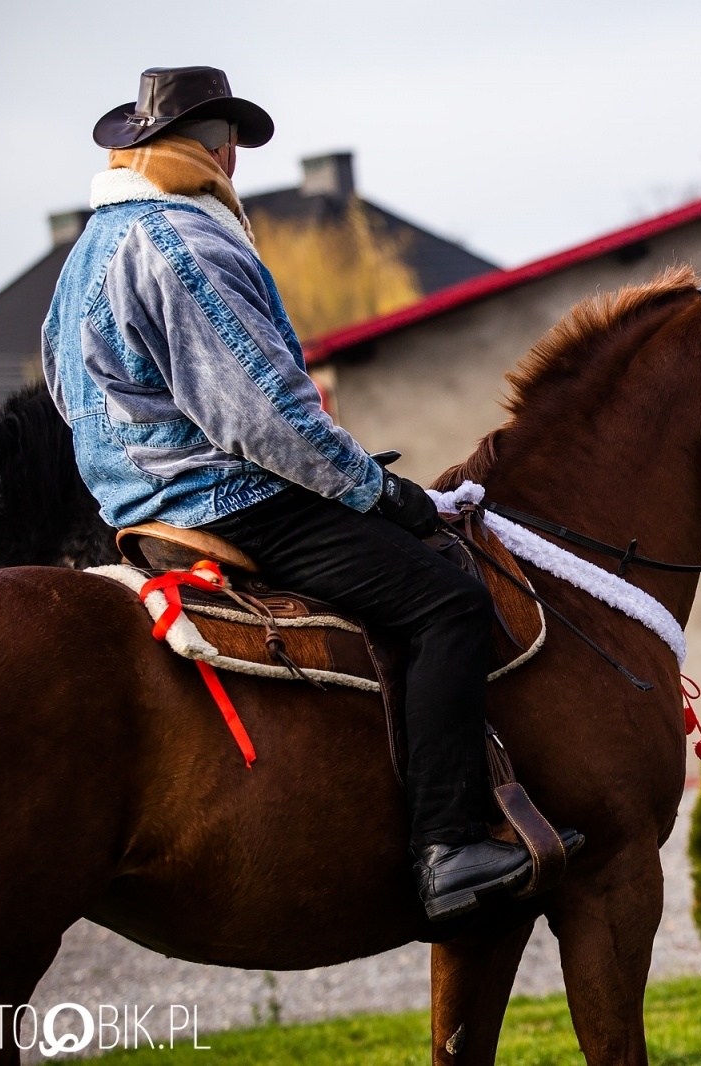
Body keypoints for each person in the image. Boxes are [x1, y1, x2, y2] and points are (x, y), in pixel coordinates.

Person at [42, 66, 567, 922]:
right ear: (215, 152)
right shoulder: (187, 242)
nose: (233, 161)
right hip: (231, 500)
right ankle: (449, 846)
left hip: (139, 519)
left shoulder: (86, 256)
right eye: (231, 146)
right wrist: (380, 492)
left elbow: (66, 398)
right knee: (450, 605)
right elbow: (267, 415)